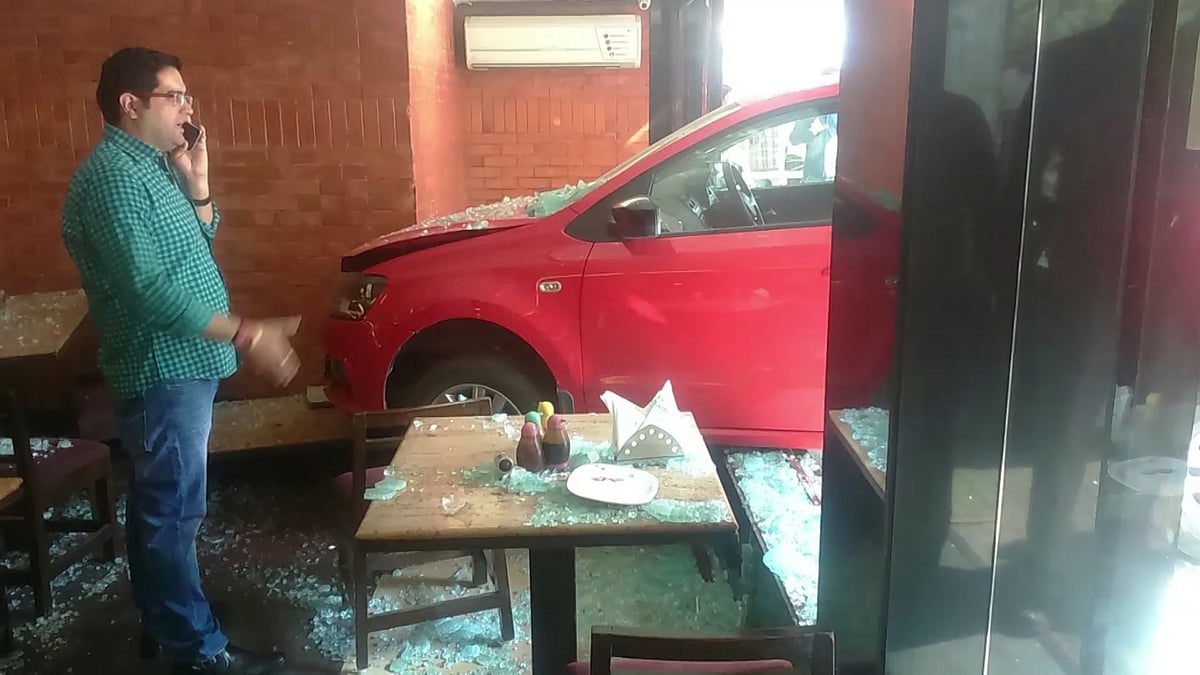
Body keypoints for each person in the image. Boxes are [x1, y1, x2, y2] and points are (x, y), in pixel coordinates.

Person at [61, 47, 300, 674]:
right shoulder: (113, 177)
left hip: (183, 365)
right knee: (172, 512)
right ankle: (195, 649)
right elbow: (147, 289)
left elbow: (194, 249)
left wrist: (198, 185)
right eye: (177, 96)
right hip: (160, 367)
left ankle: (168, 622)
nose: (189, 109)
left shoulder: (153, 169)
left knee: (161, 508)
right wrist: (247, 332)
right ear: (131, 104)